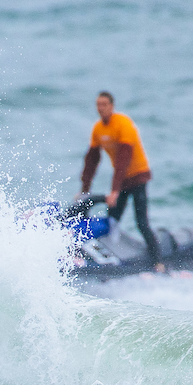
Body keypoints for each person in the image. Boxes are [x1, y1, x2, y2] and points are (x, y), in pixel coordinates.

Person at [79, 91, 164, 271]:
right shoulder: (98, 129)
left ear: (112, 106)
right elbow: (91, 160)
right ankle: (110, 259)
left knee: (141, 222)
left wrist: (114, 191)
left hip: (138, 177)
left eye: (104, 105)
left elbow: (123, 161)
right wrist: (85, 189)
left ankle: (158, 262)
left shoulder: (123, 124)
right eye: (98, 105)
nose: (100, 108)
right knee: (112, 220)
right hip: (122, 181)